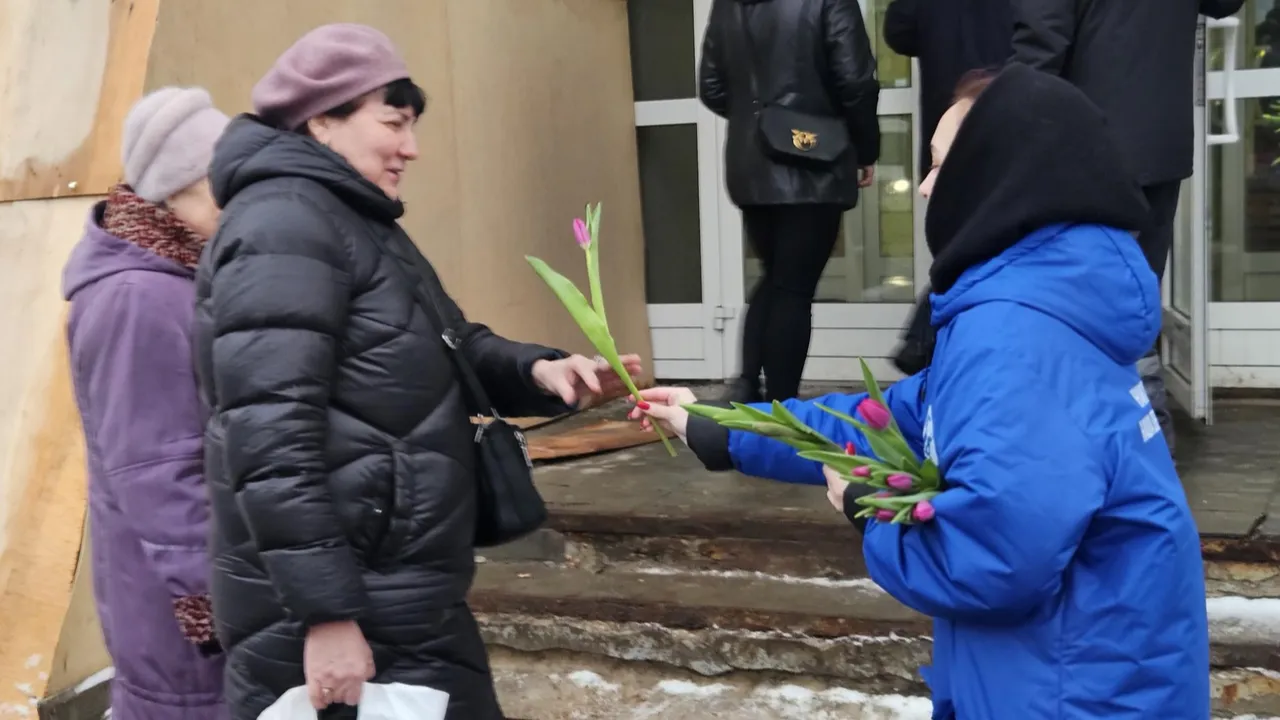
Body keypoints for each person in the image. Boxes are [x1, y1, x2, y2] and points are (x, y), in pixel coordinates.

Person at [633, 64, 1208, 718]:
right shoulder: (1032, 308)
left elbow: (994, 560)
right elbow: (882, 420)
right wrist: (712, 423)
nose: (929, 187)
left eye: (941, 165)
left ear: (1004, 175)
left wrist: (866, 507)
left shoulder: (1014, 339)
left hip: (1069, 694)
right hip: (1075, 675)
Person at [192, 24, 643, 720]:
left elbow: (446, 342)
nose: (412, 147)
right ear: (322, 119)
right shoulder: (282, 225)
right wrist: (326, 616)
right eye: (392, 123)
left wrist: (543, 371)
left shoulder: (350, 219)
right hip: (346, 608)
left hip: (396, 591)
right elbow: (268, 443)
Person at [1010, 0, 1246, 452]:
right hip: (1160, 148)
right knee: (1133, 296)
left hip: (1089, 153)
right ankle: (1144, 438)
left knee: (1086, 305)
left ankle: (1124, 445)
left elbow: (1039, 50)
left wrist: (999, 133)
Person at [63, 87, 229, 720]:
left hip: (188, 596)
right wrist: (214, 608)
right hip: (181, 623)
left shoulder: (178, 278)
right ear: (175, 189)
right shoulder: (138, 297)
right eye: (223, 184)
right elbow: (159, 473)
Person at [699, 0, 881, 403]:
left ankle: (747, 383)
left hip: (751, 164)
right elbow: (856, 80)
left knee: (777, 277)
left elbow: (710, 87)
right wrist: (865, 148)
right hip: (814, 164)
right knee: (793, 287)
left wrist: (762, 123)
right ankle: (783, 406)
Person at [880, 0, 1013, 376]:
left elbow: (898, 32)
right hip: (1009, 115)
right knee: (992, 251)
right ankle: (932, 345)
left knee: (963, 249)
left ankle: (927, 343)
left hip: (949, 116)